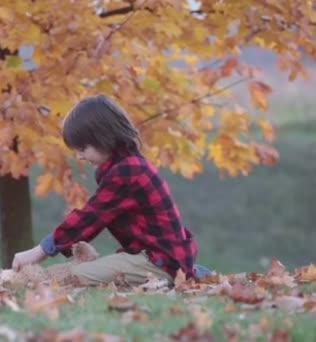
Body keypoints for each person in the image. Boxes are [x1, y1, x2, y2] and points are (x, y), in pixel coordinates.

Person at [11, 94, 207, 285]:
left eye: (82, 148)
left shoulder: (127, 172)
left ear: (103, 138)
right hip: (152, 255)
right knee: (94, 269)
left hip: (159, 262)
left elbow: (89, 219)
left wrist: (39, 251)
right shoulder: (125, 166)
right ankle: (192, 271)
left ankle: (185, 274)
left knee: (76, 274)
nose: (79, 156)